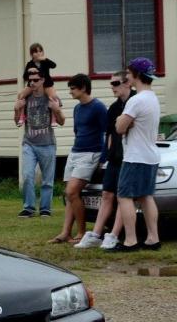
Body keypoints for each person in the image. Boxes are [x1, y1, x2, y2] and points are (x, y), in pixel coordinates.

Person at [77, 71, 134, 249]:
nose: (112, 87)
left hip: (131, 157)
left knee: (123, 197)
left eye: (116, 83)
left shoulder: (136, 102)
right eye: (111, 84)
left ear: (127, 83)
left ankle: (114, 235)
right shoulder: (114, 108)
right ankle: (95, 234)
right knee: (107, 194)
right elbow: (110, 134)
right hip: (115, 157)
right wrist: (107, 157)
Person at [51, 74, 109, 244]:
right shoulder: (77, 108)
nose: (70, 92)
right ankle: (65, 232)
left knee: (72, 191)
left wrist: (103, 158)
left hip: (91, 153)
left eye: (72, 88)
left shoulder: (98, 107)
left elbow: (107, 133)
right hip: (75, 152)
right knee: (69, 193)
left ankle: (82, 232)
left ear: (83, 88)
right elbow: (77, 131)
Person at [112, 57, 162, 251]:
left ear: (137, 75)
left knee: (124, 196)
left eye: (129, 73)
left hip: (135, 156)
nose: (127, 77)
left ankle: (130, 240)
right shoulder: (153, 98)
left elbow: (119, 128)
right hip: (151, 155)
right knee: (146, 196)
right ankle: (153, 238)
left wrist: (120, 119)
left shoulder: (136, 100)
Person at [16, 65, 64, 217]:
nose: (32, 83)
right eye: (30, 80)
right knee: (28, 176)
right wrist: (16, 109)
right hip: (29, 143)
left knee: (47, 180)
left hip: (47, 144)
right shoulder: (25, 98)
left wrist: (56, 110)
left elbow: (62, 121)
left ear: (43, 80)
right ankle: (28, 207)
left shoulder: (51, 97)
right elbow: (17, 121)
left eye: (36, 80)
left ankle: (45, 208)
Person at [15, 42, 61, 123]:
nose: (39, 53)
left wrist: (45, 59)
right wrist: (29, 71)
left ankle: (53, 118)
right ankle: (22, 116)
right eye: (36, 52)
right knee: (21, 95)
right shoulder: (30, 64)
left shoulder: (45, 62)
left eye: (40, 51)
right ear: (32, 54)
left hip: (46, 84)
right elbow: (25, 77)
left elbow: (54, 65)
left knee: (53, 97)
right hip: (33, 85)